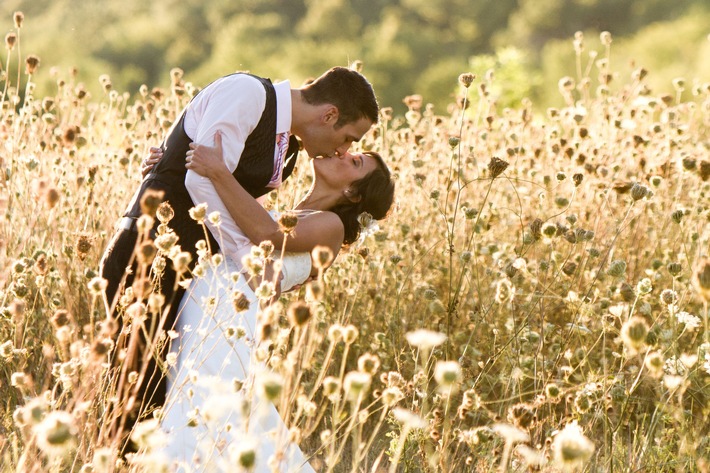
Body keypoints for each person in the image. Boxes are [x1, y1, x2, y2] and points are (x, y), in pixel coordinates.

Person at [99, 66, 379, 448]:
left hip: (189, 274)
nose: (343, 150)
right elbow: (200, 177)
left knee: (159, 399)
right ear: (329, 115)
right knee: (134, 392)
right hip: (149, 254)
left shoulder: (287, 149)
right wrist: (249, 253)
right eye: (347, 138)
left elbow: (234, 198)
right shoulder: (247, 94)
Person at [154, 133, 395, 471]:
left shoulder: (332, 227)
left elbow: (263, 238)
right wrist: (170, 175)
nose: (344, 152)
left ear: (353, 193)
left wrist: (218, 171)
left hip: (230, 315)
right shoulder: (300, 212)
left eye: (355, 162)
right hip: (212, 300)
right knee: (206, 404)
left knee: (202, 405)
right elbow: (230, 222)